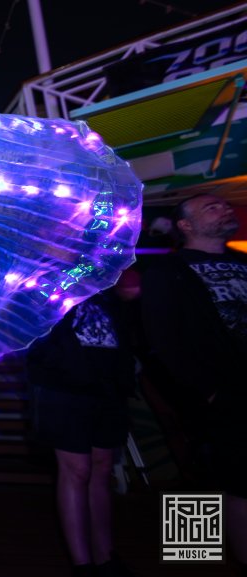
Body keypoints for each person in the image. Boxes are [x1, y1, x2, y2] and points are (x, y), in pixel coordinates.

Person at [141, 193, 247, 570]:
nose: (225, 209)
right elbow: (162, 341)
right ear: (185, 226)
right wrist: (206, 392)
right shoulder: (167, 271)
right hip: (215, 395)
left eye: (224, 205)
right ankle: (195, 562)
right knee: (212, 481)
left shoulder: (243, 262)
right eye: (211, 207)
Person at [27, 287, 137, 577]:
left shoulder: (100, 285)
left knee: (101, 469)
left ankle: (105, 558)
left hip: (107, 386)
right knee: (77, 470)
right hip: (63, 387)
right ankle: (83, 565)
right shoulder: (37, 282)